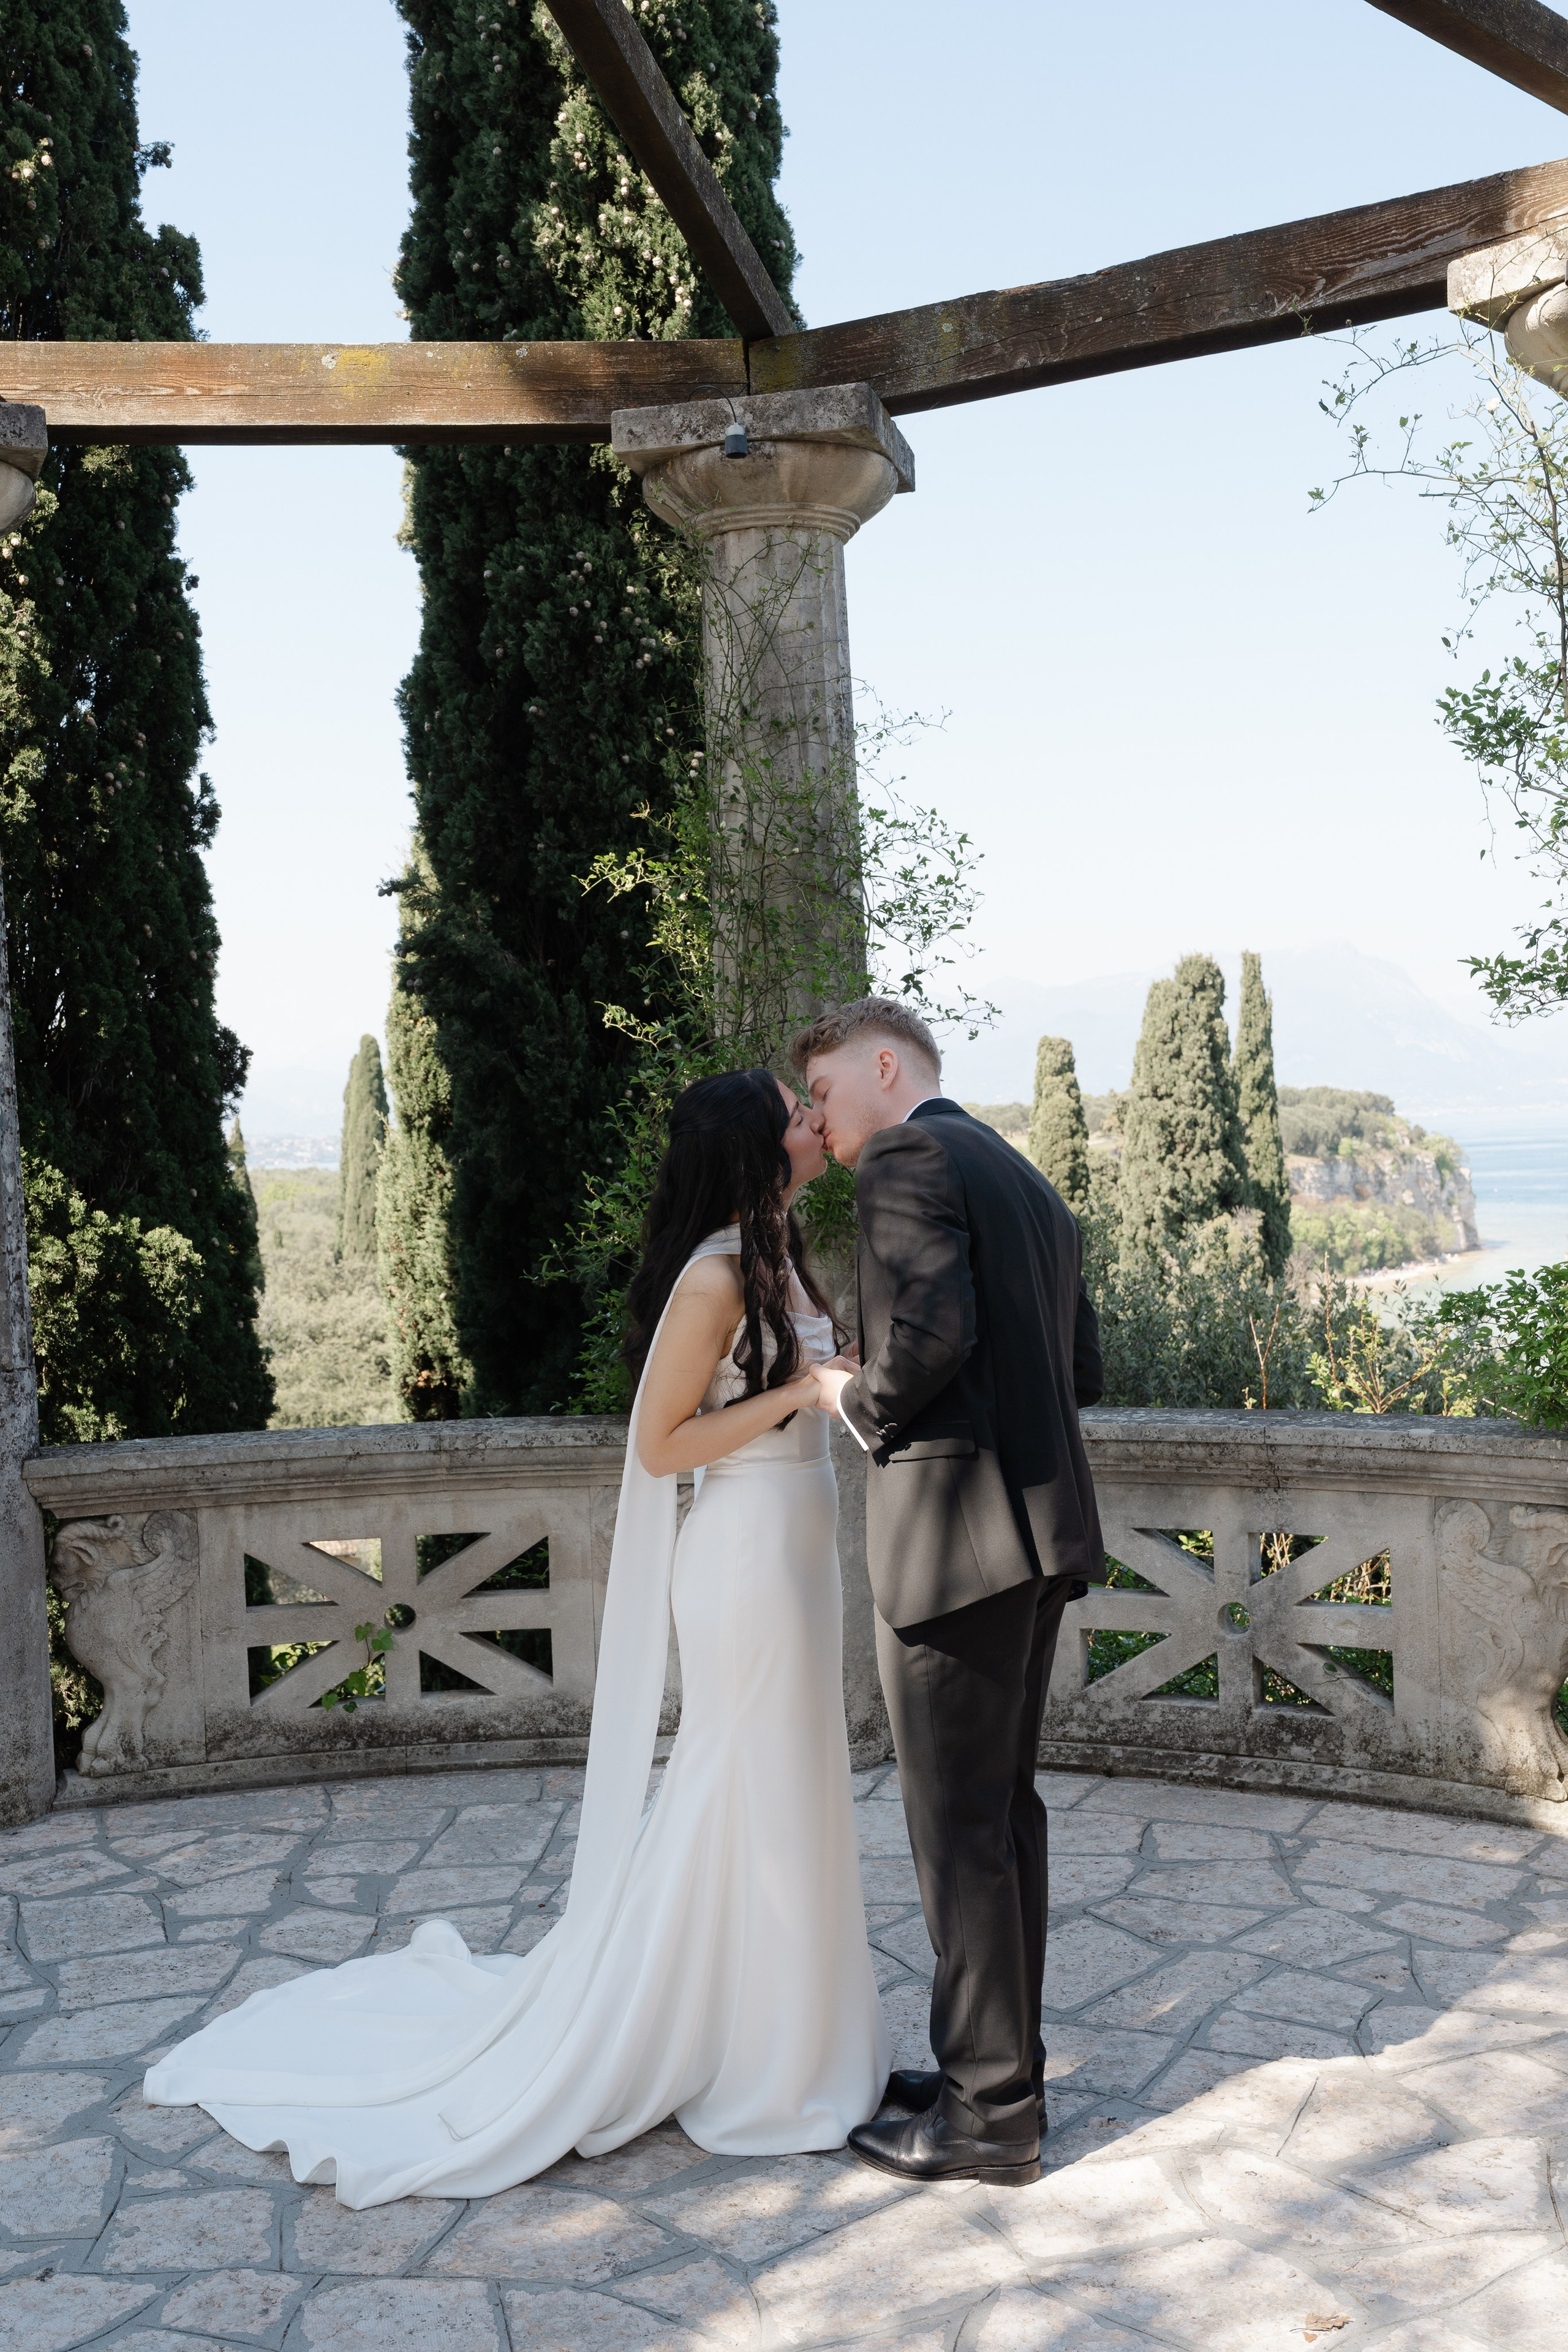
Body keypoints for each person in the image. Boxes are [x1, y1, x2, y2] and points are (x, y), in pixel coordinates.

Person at [143, 1069, 889, 2207]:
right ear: (750, 1145)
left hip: (798, 1546)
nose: (812, 1121)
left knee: (795, 1781)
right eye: (795, 1111)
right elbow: (661, 1449)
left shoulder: (779, 1249)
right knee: (745, 1777)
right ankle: (752, 2061)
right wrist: (798, 1399)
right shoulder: (714, 1275)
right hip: (742, 1553)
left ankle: (791, 2038)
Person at [796, 997, 1105, 2189]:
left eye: (822, 1095)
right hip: (1035, 1541)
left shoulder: (908, 1156)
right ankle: (990, 2071)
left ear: (883, 1068)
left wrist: (848, 1398)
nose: (820, 1126)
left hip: (953, 1551)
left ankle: (988, 2122)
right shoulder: (1021, 1177)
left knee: (954, 1835)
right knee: (999, 1819)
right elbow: (1079, 1366)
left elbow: (923, 1341)